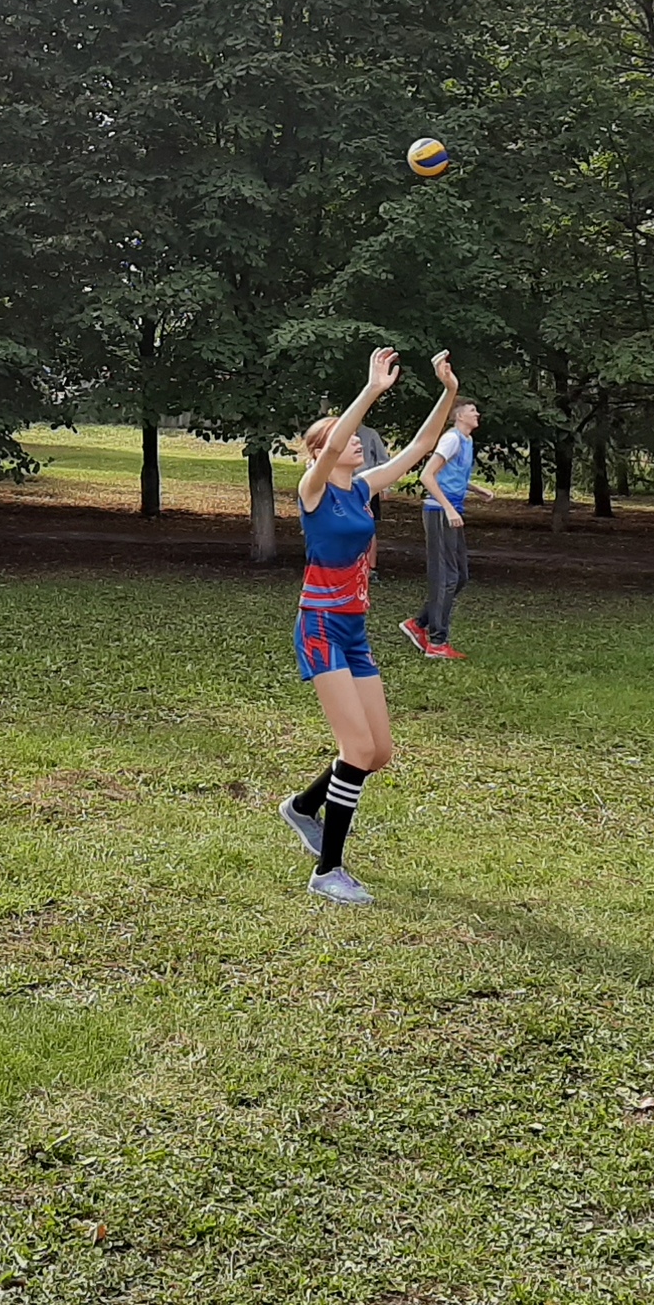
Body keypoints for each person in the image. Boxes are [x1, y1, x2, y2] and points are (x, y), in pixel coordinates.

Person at [276, 348, 461, 904]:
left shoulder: (361, 488)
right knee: (356, 749)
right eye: (347, 439)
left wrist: (449, 392)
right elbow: (335, 444)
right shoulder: (313, 490)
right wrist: (373, 388)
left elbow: (420, 447)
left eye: (358, 437)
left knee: (378, 753)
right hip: (320, 627)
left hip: (354, 630)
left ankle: (303, 806)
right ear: (318, 454)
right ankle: (327, 870)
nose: (358, 442)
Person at [400, 398, 481, 659]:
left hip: (452, 510)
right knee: (446, 577)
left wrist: (477, 489)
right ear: (459, 416)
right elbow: (427, 475)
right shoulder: (451, 439)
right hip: (439, 512)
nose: (477, 414)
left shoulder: (467, 440)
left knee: (461, 576)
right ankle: (437, 642)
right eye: (472, 411)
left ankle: (418, 624)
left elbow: (452, 475)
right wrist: (448, 509)